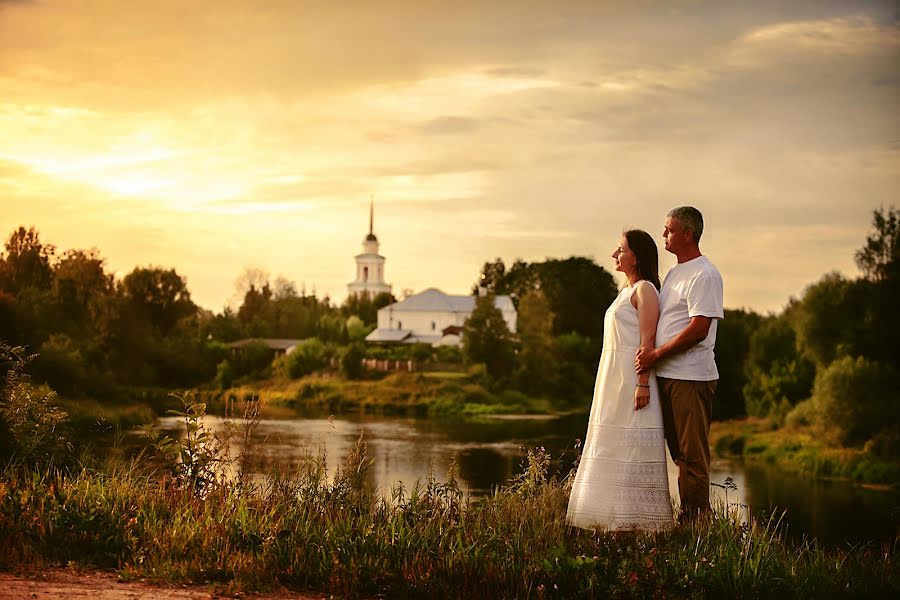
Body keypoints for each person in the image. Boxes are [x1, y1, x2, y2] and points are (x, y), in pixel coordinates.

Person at [566, 229, 673, 531]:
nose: (615, 255)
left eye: (621, 249)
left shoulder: (645, 290)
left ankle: (637, 526)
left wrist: (642, 383)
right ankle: (610, 522)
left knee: (633, 449)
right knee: (611, 447)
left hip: (633, 382)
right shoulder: (625, 291)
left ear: (636, 256)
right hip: (613, 380)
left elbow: (647, 341)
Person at [635, 206, 723, 521]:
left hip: (690, 379)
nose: (664, 235)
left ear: (687, 233)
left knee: (692, 458)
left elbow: (699, 329)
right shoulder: (675, 273)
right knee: (679, 456)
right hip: (668, 377)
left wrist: (656, 355)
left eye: (669, 230)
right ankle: (687, 520)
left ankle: (696, 526)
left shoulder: (705, 274)